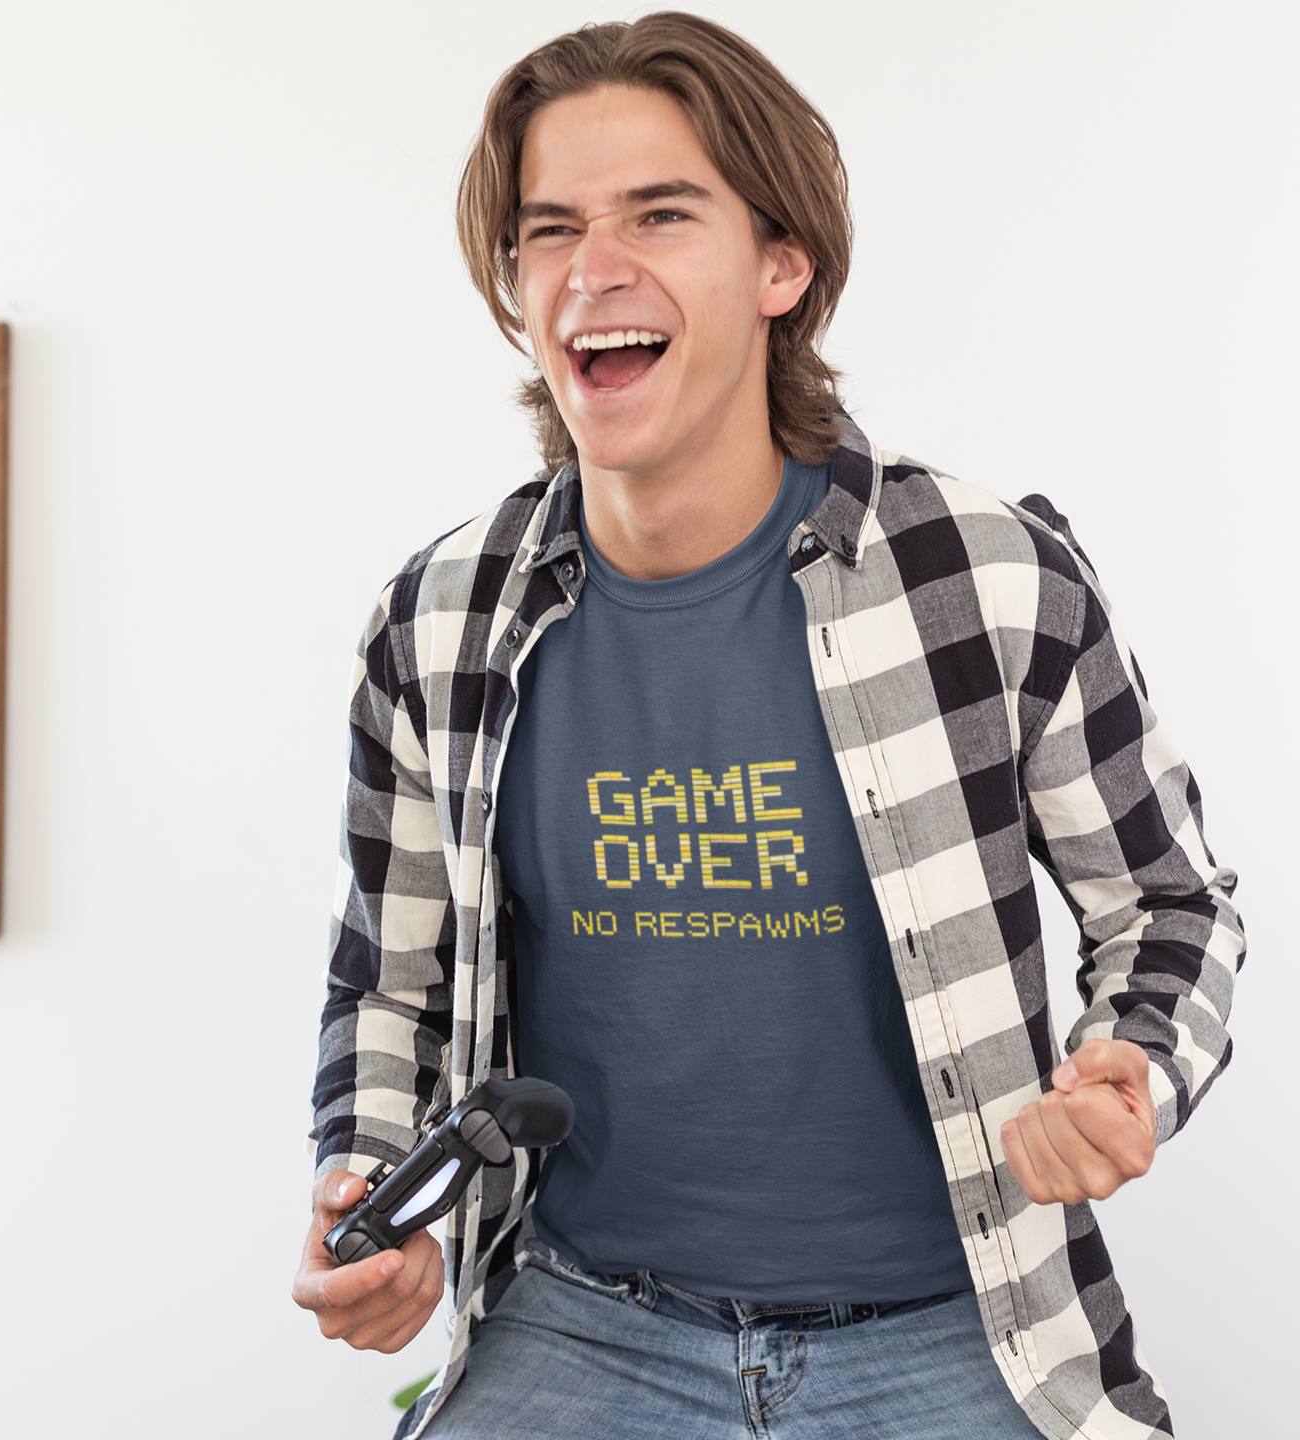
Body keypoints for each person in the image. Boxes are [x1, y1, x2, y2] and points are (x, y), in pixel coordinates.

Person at [292, 14, 1243, 1439]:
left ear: (781, 267)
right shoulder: (436, 623)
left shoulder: (984, 576)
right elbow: (391, 985)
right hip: (584, 1321)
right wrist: (374, 1192)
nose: (593, 272)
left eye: (660, 215)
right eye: (549, 230)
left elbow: (1169, 906)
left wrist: (1131, 1071)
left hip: (956, 1326)